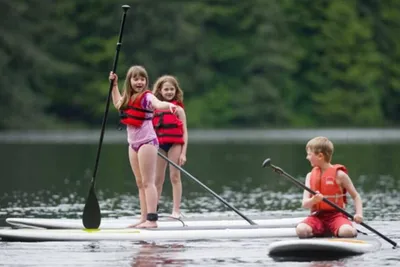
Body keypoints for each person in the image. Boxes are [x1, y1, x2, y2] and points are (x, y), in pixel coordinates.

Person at [109, 65, 178, 228]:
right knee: (140, 183)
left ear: (146, 81)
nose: (139, 82)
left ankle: (152, 220)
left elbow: (158, 103)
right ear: (130, 81)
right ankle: (143, 218)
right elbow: (118, 104)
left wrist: (168, 106)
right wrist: (113, 86)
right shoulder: (128, 97)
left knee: (148, 182)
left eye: (142, 79)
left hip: (147, 142)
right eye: (135, 79)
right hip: (132, 144)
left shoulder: (147, 97)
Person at [296, 136, 363, 238]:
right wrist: (314, 200)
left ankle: (347, 229)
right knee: (301, 230)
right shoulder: (310, 176)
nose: (307, 157)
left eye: (309, 154)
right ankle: (323, 230)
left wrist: (359, 214)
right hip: (317, 216)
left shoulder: (340, 175)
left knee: (347, 232)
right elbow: (305, 204)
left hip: (337, 216)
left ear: (320, 156)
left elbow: (356, 196)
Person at [152, 75, 188, 218]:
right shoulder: (153, 108)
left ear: (176, 91)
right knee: (157, 179)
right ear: (160, 90)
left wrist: (183, 153)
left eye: (172, 89)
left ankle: (176, 211)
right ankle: (153, 210)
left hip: (175, 145)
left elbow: (185, 133)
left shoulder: (178, 110)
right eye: (166, 89)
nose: (169, 92)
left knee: (175, 177)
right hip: (159, 147)